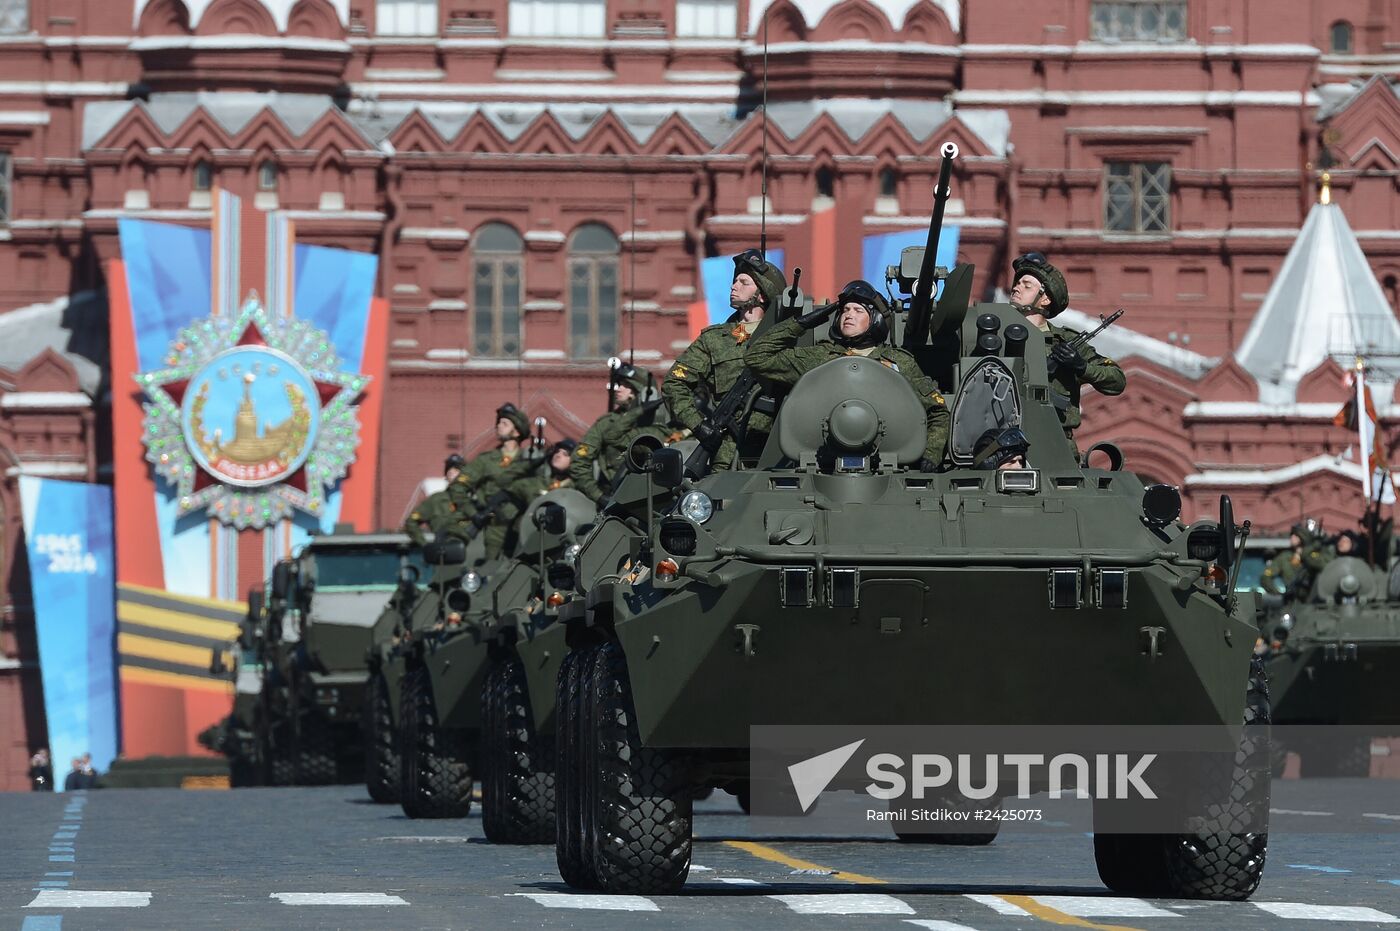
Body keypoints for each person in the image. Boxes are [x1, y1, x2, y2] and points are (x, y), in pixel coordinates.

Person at [744, 279, 950, 467]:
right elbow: (757, 357)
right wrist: (800, 324)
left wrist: (930, 454)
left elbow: (937, 412)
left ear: (876, 319)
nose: (849, 315)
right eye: (844, 310)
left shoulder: (899, 363)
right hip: (822, 466)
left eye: (858, 310)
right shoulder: (819, 358)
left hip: (888, 467)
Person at [662, 250, 787, 469]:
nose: (734, 286)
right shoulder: (715, 339)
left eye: (744, 282)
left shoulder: (787, 337)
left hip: (779, 453)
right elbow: (674, 383)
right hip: (728, 455)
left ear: (763, 294)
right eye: (735, 280)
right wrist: (699, 425)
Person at [1008, 252, 1125, 456]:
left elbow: (1117, 381)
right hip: (1006, 443)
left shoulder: (1065, 341)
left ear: (1045, 299)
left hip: (1056, 444)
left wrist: (1081, 366)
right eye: (1017, 283)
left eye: (1026, 285)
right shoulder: (995, 334)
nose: (1016, 288)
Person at [447, 403, 537, 559]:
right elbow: (458, 487)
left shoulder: (532, 459)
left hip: (525, 525)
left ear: (516, 431)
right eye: (499, 423)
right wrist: (474, 514)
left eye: (505, 423)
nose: (498, 427)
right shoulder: (486, 460)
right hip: (496, 528)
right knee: (494, 573)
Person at [571, 361, 663, 501]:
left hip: (653, 497)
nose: (618, 389)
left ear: (644, 391)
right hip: (613, 498)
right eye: (619, 384)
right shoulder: (606, 423)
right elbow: (579, 462)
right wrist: (599, 496)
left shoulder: (660, 422)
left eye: (625, 385)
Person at [403, 454, 465, 547]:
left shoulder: (477, 500)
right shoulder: (436, 501)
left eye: (457, 469)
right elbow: (411, 522)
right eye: (449, 470)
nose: (452, 472)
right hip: (446, 554)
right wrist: (426, 546)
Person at [1261, 519, 1329, 599]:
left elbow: (1325, 568)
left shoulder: (1314, 556)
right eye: (1292, 535)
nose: (1292, 537)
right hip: (1292, 601)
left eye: (1296, 535)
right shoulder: (1285, 557)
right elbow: (1266, 576)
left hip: (1312, 601)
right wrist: (1278, 594)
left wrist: (1308, 551)